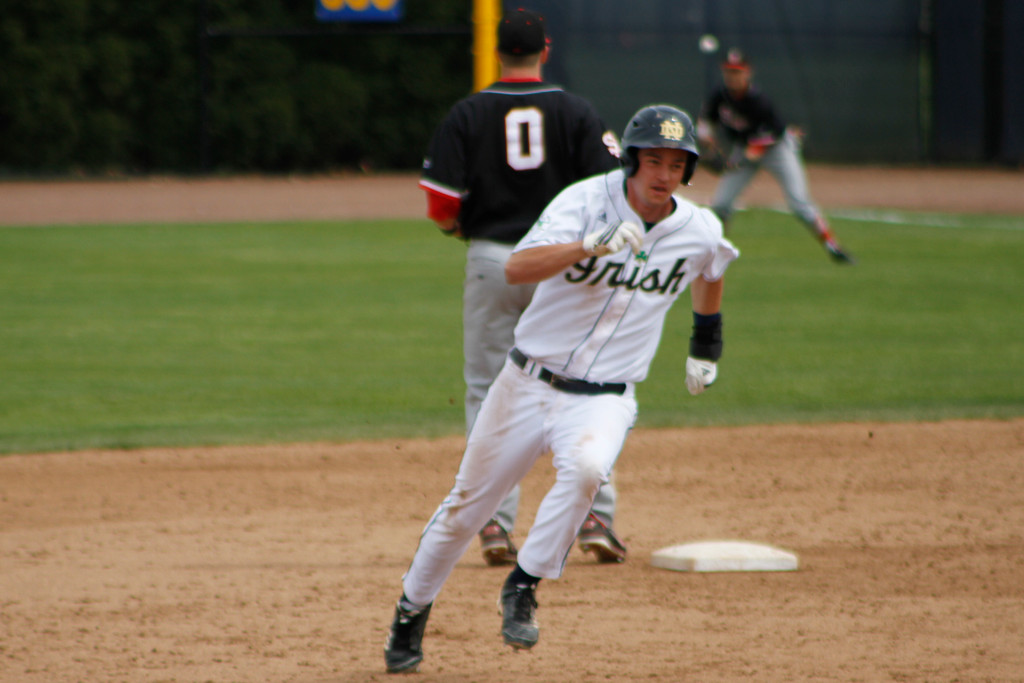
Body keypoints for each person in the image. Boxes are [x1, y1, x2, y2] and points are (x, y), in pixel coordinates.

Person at [385, 104, 740, 673]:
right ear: (630, 160)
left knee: (588, 469)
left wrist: (706, 345)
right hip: (526, 383)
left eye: (677, 165)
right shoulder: (583, 201)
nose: (664, 175)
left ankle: (523, 583)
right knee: (465, 510)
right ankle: (410, 611)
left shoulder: (698, 228)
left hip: (604, 395)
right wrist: (590, 245)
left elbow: (713, 270)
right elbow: (518, 268)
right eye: (653, 160)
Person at [418, 8, 627, 567]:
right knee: (587, 380)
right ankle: (594, 515)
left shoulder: (467, 112)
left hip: (492, 259)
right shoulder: (575, 110)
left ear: (494, 53)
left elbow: (440, 204)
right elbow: (613, 186)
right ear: (546, 50)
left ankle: (492, 523)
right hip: (563, 265)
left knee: (489, 390)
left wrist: (461, 228)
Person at [696, 48, 855, 264]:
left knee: (799, 203)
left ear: (748, 73)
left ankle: (833, 246)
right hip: (745, 149)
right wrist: (709, 146)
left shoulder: (759, 100)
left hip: (778, 149)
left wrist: (743, 157)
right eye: (729, 72)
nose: (733, 76)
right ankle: (713, 253)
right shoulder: (719, 96)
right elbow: (706, 124)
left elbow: (774, 134)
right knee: (721, 204)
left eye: (738, 72)